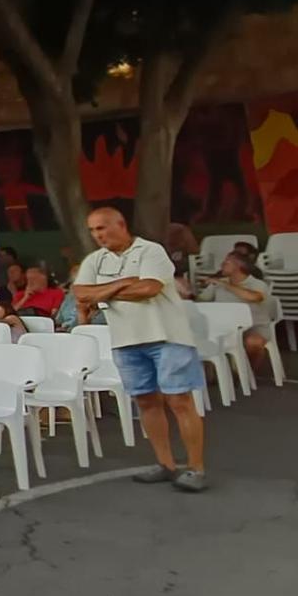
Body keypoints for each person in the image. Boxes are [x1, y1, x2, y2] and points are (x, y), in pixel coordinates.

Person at [72, 206, 209, 491]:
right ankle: (166, 464)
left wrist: (103, 290)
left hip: (168, 337)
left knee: (179, 401)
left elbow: (148, 288)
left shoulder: (151, 251)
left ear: (120, 224)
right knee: (145, 401)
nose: (98, 235)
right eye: (93, 230)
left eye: (102, 228)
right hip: (125, 341)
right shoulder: (95, 260)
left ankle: (196, 468)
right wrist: (123, 283)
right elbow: (81, 294)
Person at [197, 252, 275, 380]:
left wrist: (224, 285)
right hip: (224, 328)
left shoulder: (257, 284)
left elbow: (254, 297)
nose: (222, 265)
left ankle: (246, 374)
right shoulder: (217, 284)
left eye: (226, 262)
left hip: (253, 327)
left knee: (253, 342)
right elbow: (200, 301)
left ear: (238, 266)